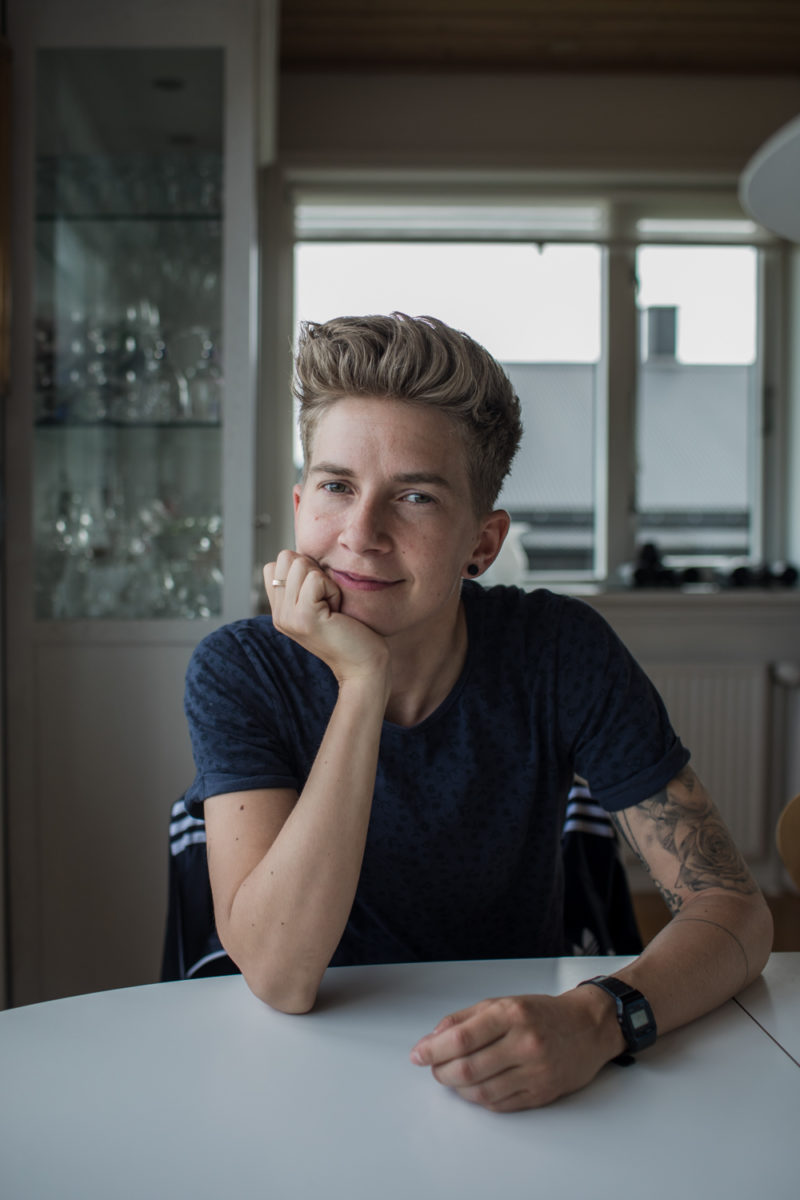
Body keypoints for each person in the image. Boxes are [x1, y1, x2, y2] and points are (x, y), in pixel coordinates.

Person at [183, 312, 772, 1112]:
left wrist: (601, 1019)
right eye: (335, 487)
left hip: (526, 1058)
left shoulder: (559, 649)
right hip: (302, 1073)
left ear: (482, 544)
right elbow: (282, 978)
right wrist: (363, 683)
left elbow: (734, 909)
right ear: (299, 505)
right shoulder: (240, 669)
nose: (360, 534)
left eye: (416, 496)